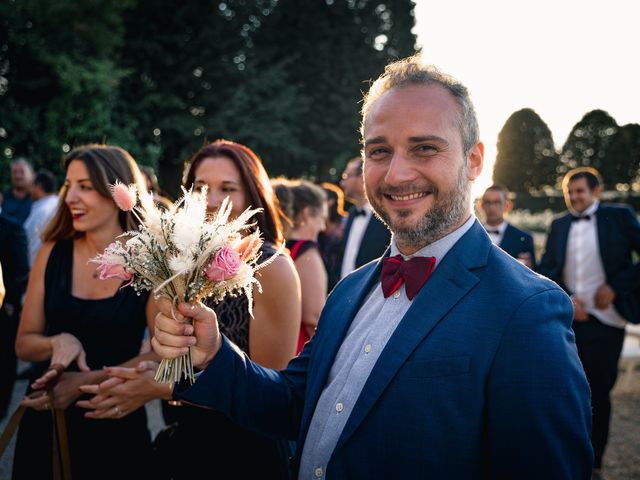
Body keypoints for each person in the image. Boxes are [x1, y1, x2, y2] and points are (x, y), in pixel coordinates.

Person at [152, 56, 594, 479]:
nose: (397, 174)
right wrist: (212, 356)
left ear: (475, 160)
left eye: (424, 148)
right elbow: (291, 403)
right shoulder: (350, 290)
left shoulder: (526, 308)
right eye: (379, 151)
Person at [78, 139, 301, 480]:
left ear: (251, 197)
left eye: (227, 188)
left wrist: (162, 389)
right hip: (185, 442)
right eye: (199, 188)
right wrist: (84, 383)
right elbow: (163, 358)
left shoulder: (272, 267)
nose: (210, 201)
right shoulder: (175, 261)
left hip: (246, 454)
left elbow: (270, 392)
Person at [12, 144, 161, 479]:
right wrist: (56, 342)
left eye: (86, 187)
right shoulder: (53, 251)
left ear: (119, 191)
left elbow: (163, 353)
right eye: (70, 185)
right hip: (48, 422)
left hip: (115, 420)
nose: (70, 198)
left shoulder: (151, 260)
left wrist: (86, 382)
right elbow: (23, 343)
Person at [538, 166, 640, 476]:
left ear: (595, 191)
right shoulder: (558, 224)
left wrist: (615, 287)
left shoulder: (619, 217)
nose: (574, 197)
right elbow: (547, 270)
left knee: (599, 392)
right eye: (569, 192)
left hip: (607, 320)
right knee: (561, 389)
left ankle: (594, 464)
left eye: (580, 191)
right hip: (568, 320)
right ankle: (562, 457)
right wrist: (567, 298)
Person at [273, 177, 328, 354]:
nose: (323, 226)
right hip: (296, 349)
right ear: (305, 214)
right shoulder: (306, 254)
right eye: (321, 218)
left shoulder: (276, 247)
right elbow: (314, 317)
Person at [336, 156, 391, 281]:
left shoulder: (386, 214)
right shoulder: (351, 214)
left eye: (346, 176)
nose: (342, 183)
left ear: (362, 177)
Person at [0, 210, 29, 421]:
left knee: (4, 359)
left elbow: (21, 270)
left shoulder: (12, 227)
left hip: (5, 309)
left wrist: (10, 303)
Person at [479, 184, 537, 269]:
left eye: (497, 202)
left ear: (507, 206)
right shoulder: (470, 235)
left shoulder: (524, 239)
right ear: (481, 206)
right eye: (487, 202)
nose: (492, 207)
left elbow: (535, 275)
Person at [23, 169, 59, 266]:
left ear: (39, 186)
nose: (30, 190)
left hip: (38, 265)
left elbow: (29, 242)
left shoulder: (43, 210)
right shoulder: (57, 204)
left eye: (32, 185)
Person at [317, 182, 348, 292]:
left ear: (330, 202)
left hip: (343, 281)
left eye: (319, 198)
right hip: (321, 283)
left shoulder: (346, 223)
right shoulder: (314, 225)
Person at [1, 158, 34, 225]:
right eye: (14, 172)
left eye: (22, 172)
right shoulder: (3, 198)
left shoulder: (37, 199)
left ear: (32, 174)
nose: (18, 176)